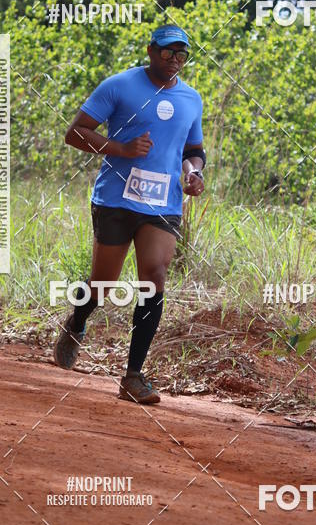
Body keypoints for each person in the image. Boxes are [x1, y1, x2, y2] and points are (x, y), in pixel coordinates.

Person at [53, 24, 205, 405]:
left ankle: (133, 377)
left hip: (163, 203)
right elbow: (76, 133)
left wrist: (194, 172)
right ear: (151, 50)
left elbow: (194, 149)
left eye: (181, 54)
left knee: (154, 277)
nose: (174, 59)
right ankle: (78, 320)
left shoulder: (191, 98)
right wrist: (120, 148)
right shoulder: (119, 85)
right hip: (116, 199)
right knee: (102, 285)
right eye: (168, 51)